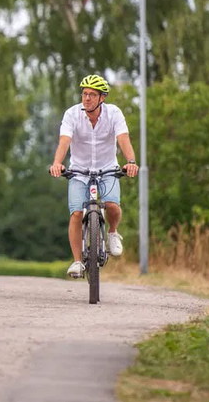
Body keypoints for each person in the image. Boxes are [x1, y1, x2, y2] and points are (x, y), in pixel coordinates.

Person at [49, 74, 139, 279]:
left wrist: (131, 162)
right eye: (84, 93)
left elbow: (123, 138)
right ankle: (78, 261)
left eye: (92, 94)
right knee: (76, 214)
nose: (87, 98)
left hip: (107, 168)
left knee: (112, 205)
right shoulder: (72, 114)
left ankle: (112, 233)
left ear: (102, 98)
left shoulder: (114, 113)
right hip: (79, 170)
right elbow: (64, 140)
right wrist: (57, 163)